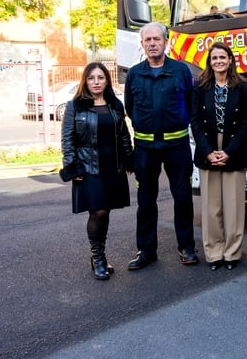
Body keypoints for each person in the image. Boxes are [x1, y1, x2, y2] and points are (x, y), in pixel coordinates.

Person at [124, 22, 199, 270]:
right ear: (143, 44)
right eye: (148, 40)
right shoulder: (134, 74)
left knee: (183, 198)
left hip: (177, 146)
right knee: (146, 201)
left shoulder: (181, 71)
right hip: (145, 148)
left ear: (166, 42)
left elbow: (191, 104)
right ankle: (146, 250)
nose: (153, 43)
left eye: (157, 39)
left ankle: (186, 247)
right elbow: (129, 107)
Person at [61, 63, 133, 280]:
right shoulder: (75, 106)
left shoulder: (115, 104)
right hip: (89, 166)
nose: (96, 82)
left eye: (100, 77)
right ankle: (98, 257)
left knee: (106, 211)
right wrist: (72, 166)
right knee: (98, 211)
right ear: (85, 80)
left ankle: (99, 254)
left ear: (107, 80)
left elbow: (123, 135)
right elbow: (68, 139)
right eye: (91, 78)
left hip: (113, 165)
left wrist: (130, 159)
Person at [191, 43, 247, 271]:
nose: (218, 61)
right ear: (210, 61)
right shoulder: (199, 87)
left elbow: (246, 122)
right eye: (214, 57)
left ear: (230, 60)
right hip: (208, 148)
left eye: (222, 57)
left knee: (233, 206)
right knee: (211, 207)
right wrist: (208, 152)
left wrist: (228, 151)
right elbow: (195, 121)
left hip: (233, 149)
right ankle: (214, 253)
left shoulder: (243, 87)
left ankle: (232, 253)